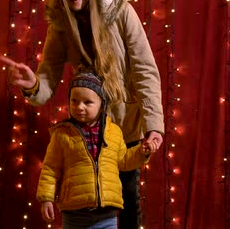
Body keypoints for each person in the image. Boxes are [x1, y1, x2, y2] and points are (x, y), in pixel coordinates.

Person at [1, 0, 164, 228]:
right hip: (88, 124)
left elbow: (145, 69)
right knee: (88, 201)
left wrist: (154, 127)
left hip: (124, 124)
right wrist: (32, 85)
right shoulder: (61, 25)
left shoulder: (121, 12)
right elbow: (48, 74)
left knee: (128, 199)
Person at [36, 69, 151, 228]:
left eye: (87, 102)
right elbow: (50, 168)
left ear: (102, 105)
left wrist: (141, 152)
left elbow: (124, 161)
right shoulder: (62, 134)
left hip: (106, 215)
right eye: (74, 100)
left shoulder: (114, 132)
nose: (79, 107)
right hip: (74, 214)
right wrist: (46, 198)